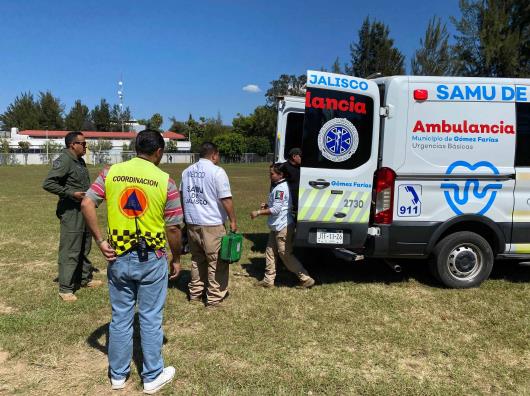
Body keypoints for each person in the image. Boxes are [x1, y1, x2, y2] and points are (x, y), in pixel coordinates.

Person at [81, 130, 183, 393]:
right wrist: (177, 257)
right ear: (159, 152)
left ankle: (117, 375)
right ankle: (152, 376)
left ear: (136, 147)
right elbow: (173, 228)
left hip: (119, 255)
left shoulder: (110, 173)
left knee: (121, 317)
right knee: (150, 318)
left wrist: (100, 240)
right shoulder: (166, 181)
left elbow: (86, 203)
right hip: (152, 257)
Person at [42, 131, 102, 302]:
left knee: (84, 244)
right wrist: (70, 193)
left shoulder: (80, 161)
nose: (85, 146)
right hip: (71, 211)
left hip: (83, 209)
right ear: (72, 145)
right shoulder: (65, 160)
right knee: (71, 248)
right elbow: (48, 183)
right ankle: (66, 288)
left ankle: (83, 278)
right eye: (83, 144)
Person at [180, 142, 237, 308]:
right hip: (212, 224)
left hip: (192, 222)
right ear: (214, 155)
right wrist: (233, 220)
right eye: (218, 155)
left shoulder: (187, 171)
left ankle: (195, 294)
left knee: (197, 259)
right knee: (216, 262)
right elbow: (225, 198)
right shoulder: (217, 172)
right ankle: (213, 297)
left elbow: (182, 195)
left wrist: (186, 218)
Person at [250, 162, 314, 288]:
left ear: (281, 175)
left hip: (283, 226)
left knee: (285, 254)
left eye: (272, 174)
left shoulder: (280, 188)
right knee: (270, 252)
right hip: (276, 225)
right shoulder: (279, 186)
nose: (270, 176)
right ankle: (268, 280)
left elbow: (276, 210)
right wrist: (267, 206)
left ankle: (305, 278)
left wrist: (258, 212)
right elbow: (278, 206)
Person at [284, 147, 302, 218]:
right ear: (294, 156)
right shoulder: (283, 167)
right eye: (300, 156)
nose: (301, 158)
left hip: (298, 202)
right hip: (288, 203)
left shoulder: (300, 167)